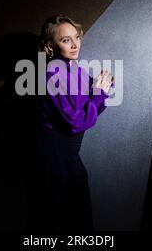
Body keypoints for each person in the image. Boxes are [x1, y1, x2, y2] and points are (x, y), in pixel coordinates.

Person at [27, 14, 113, 232]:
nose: (75, 45)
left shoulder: (79, 71)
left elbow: (90, 112)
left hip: (70, 155)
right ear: (49, 46)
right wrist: (98, 94)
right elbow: (75, 122)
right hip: (52, 156)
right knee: (54, 221)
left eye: (77, 37)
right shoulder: (52, 73)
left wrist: (100, 92)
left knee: (79, 218)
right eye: (66, 40)